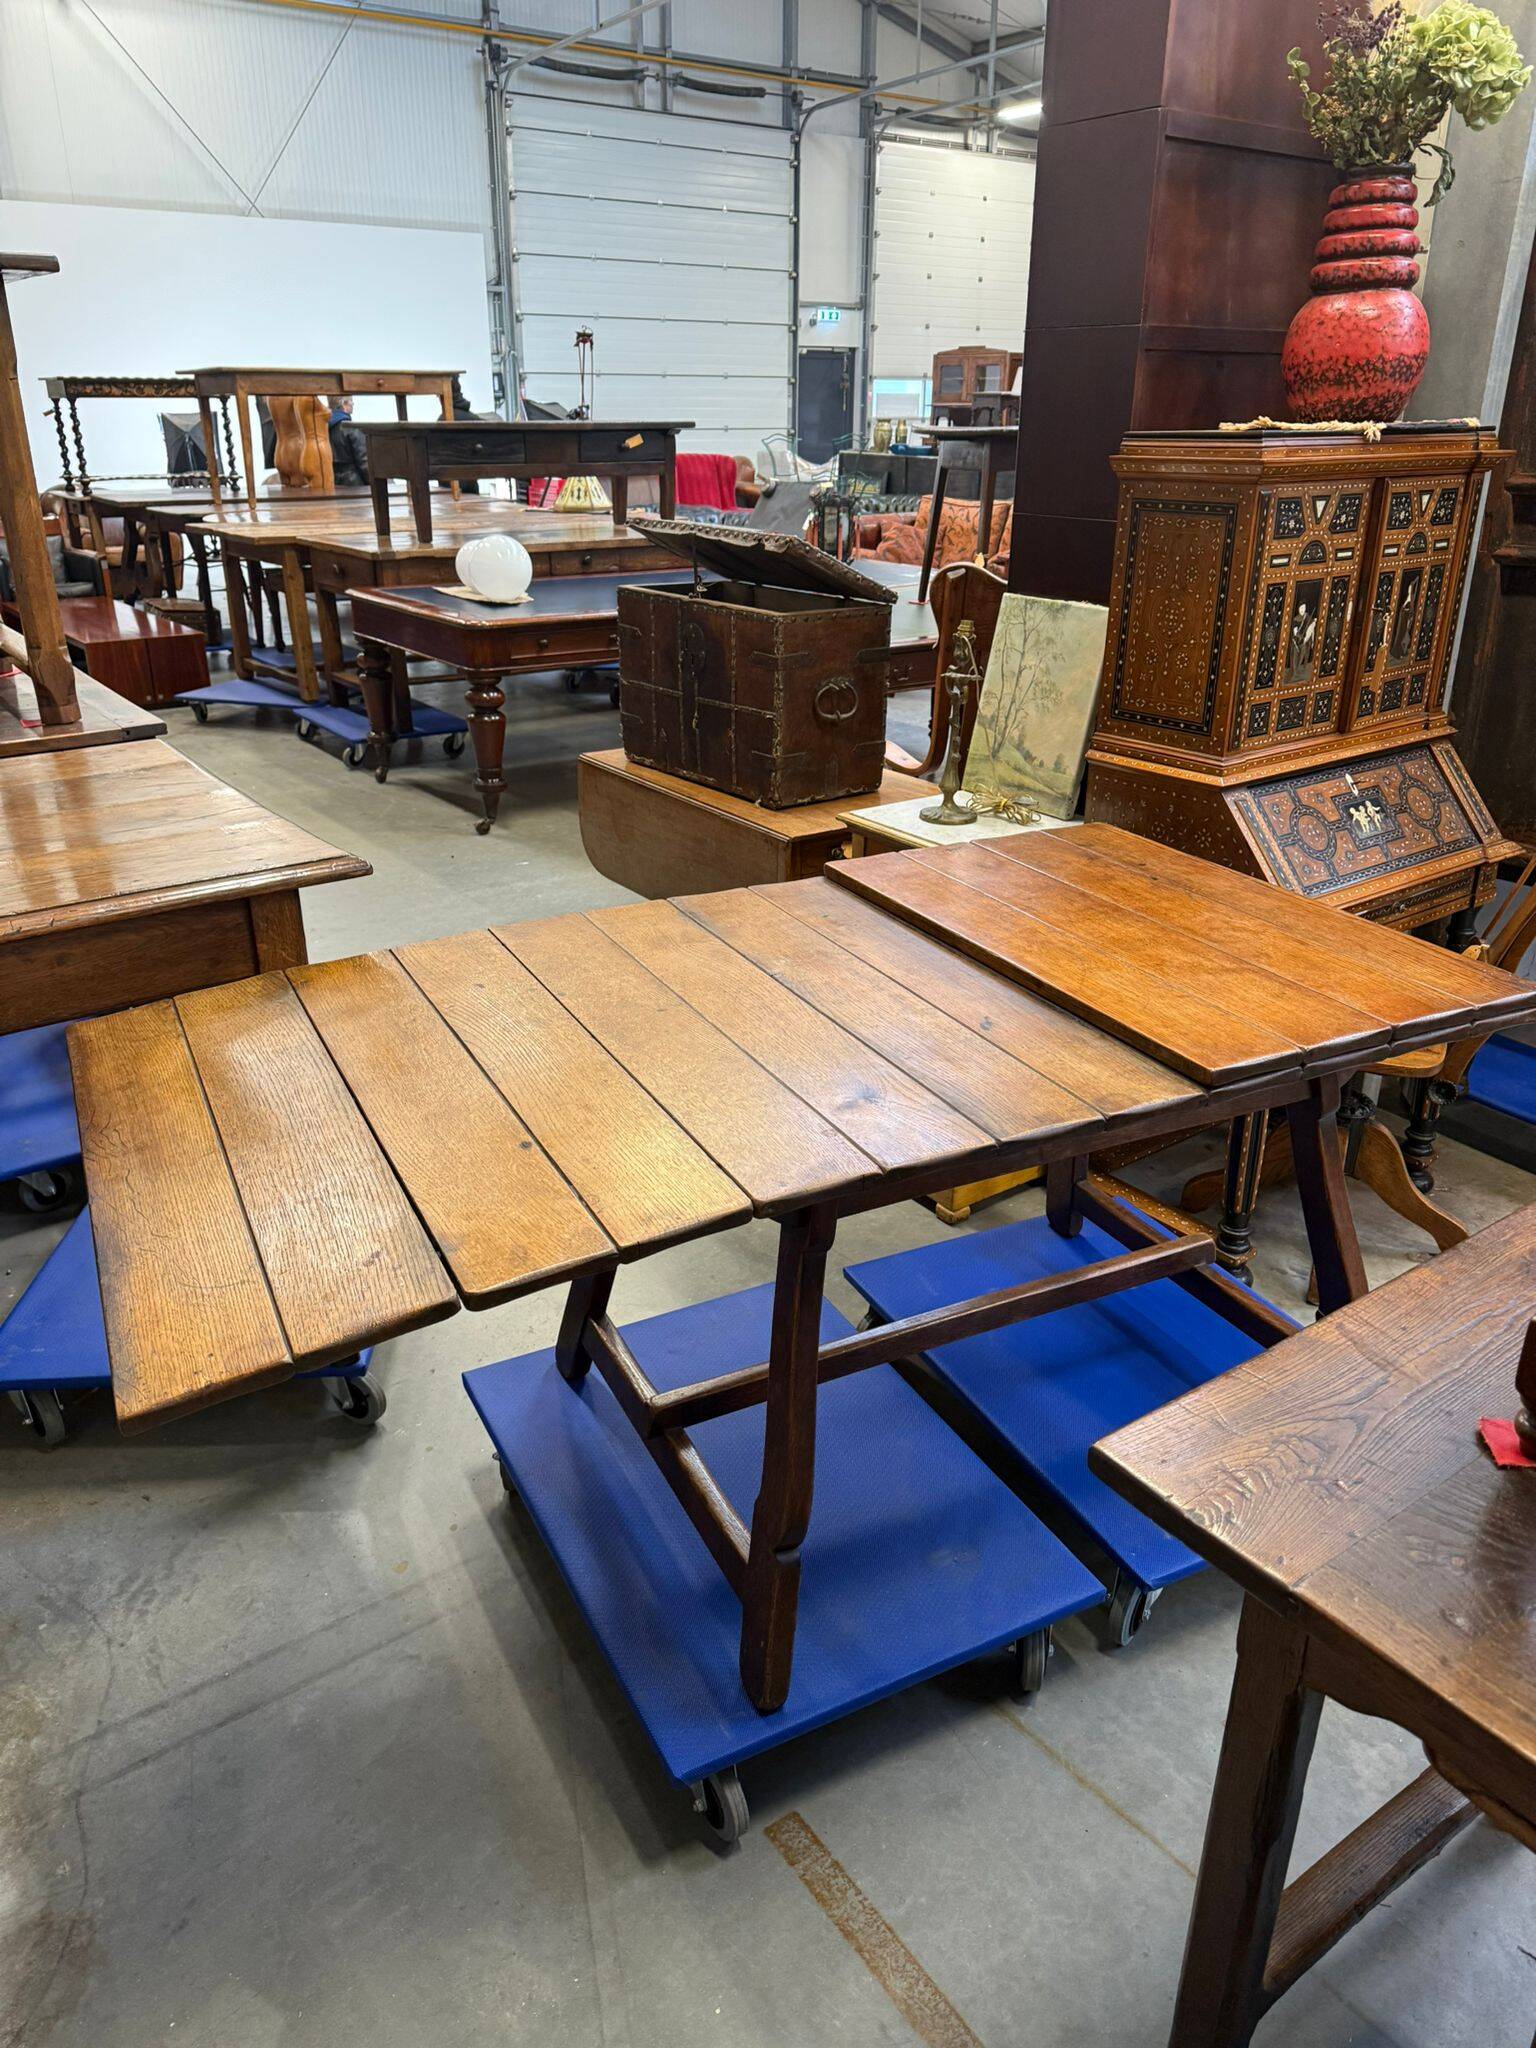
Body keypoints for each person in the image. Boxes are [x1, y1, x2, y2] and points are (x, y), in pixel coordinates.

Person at [327, 395, 369, 486]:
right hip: (354, 484)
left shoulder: (323, 428)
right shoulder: (352, 428)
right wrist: (373, 482)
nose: (353, 404)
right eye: (351, 401)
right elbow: (364, 461)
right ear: (344, 404)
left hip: (332, 482)